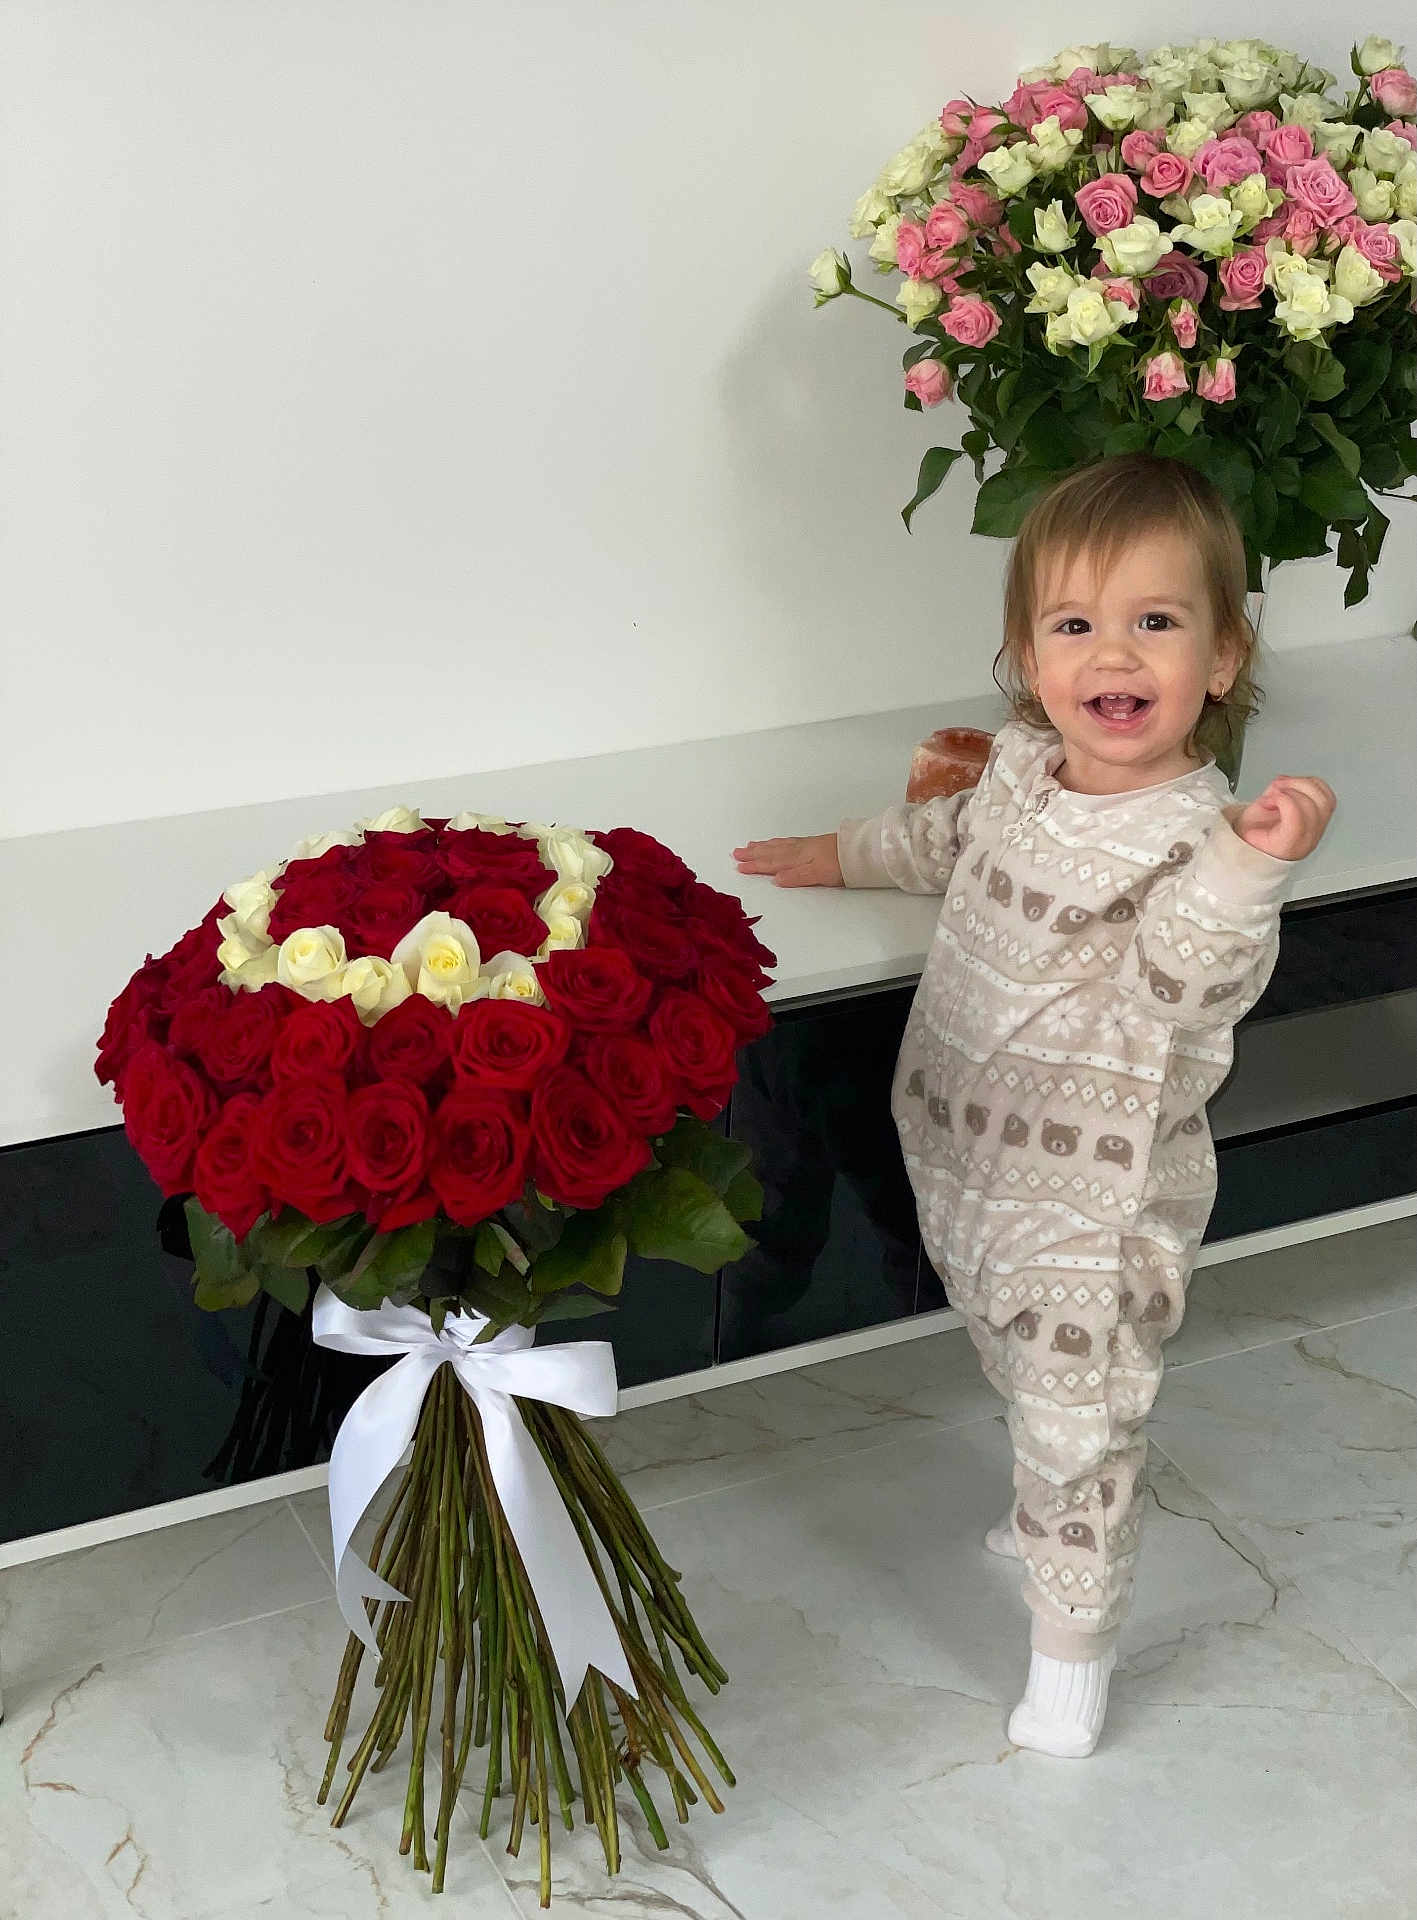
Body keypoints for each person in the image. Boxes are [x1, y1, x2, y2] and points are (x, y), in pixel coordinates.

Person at [731, 453, 1336, 1758]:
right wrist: (834, 853)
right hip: (961, 1153)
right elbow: (939, 844)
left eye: (1155, 621)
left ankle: (1072, 1649)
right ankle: (1042, 1487)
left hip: (1092, 1205)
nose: (1111, 654)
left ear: (1222, 658)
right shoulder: (1017, 772)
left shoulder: (1196, 842)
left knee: (1078, 1428)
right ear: (1024, 655)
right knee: (1010, 1356)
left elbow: (1187, 977)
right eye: (1074, 624)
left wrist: (1254, 869)